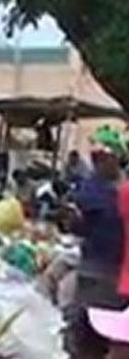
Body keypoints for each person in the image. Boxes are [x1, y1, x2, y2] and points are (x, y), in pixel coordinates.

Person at [65, 127, 126, 309]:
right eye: (95, 158)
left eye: (103, 157)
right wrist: (72, 221)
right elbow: (80, 225)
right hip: (94, 268)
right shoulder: (90, 186)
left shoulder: (123, 189)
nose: (98, 162)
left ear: (117, 158)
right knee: (88, 321)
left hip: (118, 272)